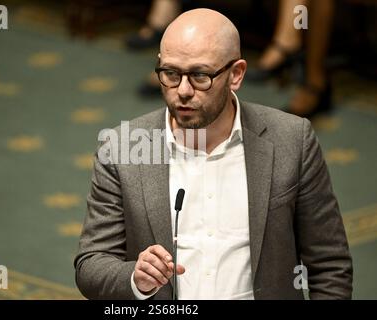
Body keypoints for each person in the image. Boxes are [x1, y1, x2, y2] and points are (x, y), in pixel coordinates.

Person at [74, 8, 353, 300]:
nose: (182, 90)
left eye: (199, 75)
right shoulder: (124, 148)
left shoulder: (292, 141)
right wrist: (135, 278)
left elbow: (330, 265)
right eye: (170, 73)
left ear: (236, 75)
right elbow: (91, 265)